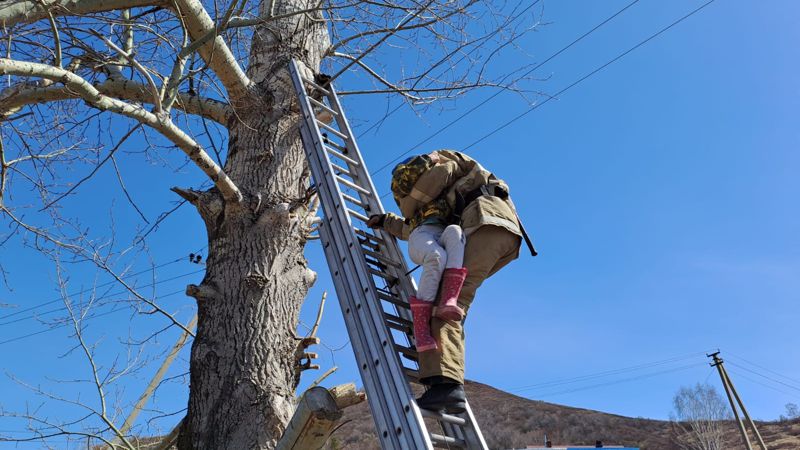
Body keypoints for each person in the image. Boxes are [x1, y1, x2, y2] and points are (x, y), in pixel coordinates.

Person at [369, 150, 534, 414]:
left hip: (484, 223)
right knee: (456, 298)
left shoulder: (445, 164)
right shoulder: (450, 197)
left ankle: (446, 387)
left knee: (445, 305)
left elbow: (423, 198)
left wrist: (427, 164)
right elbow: (417, 225)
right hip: (503, 234)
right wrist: (388, 221)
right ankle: (445, 377)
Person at [367, 154, 468, 353]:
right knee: (437, 256)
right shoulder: (410, 200)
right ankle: (420, 327)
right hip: (421, 235)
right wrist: (429, 159)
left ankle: (449, 299)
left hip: (441, 232)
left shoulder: (443, 200)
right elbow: (401, 181)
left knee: (456, 232)